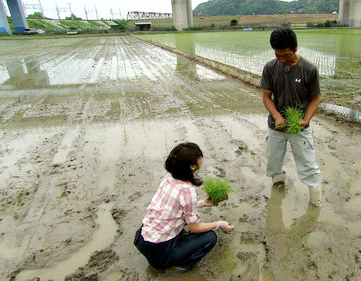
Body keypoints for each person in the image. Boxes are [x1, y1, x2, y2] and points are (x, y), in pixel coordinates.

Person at [133, 142, 235, 271]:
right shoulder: (187, 190)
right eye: (199, 157)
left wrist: (202, 203)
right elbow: (194, 228)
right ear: (192, 166)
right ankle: (179, 265)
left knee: (181, 223)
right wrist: (219, 224)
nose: (201, 158)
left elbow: (172, 207)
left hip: (142, 239)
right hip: (160, 251)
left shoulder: (169, 177)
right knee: (210, 237)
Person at [260, 28, 322, 206]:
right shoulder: (270, 67)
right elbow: (266, 96)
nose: (282, 60)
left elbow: (315, 99)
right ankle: (278, 189)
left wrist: (306, 119)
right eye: (278, 55)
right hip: (276, 127)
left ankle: (316, 200)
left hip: (299, 128)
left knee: (308, 165)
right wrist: (276, 115)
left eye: (285, 55)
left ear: (295, 47)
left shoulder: (309, 69)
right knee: (273, 162)